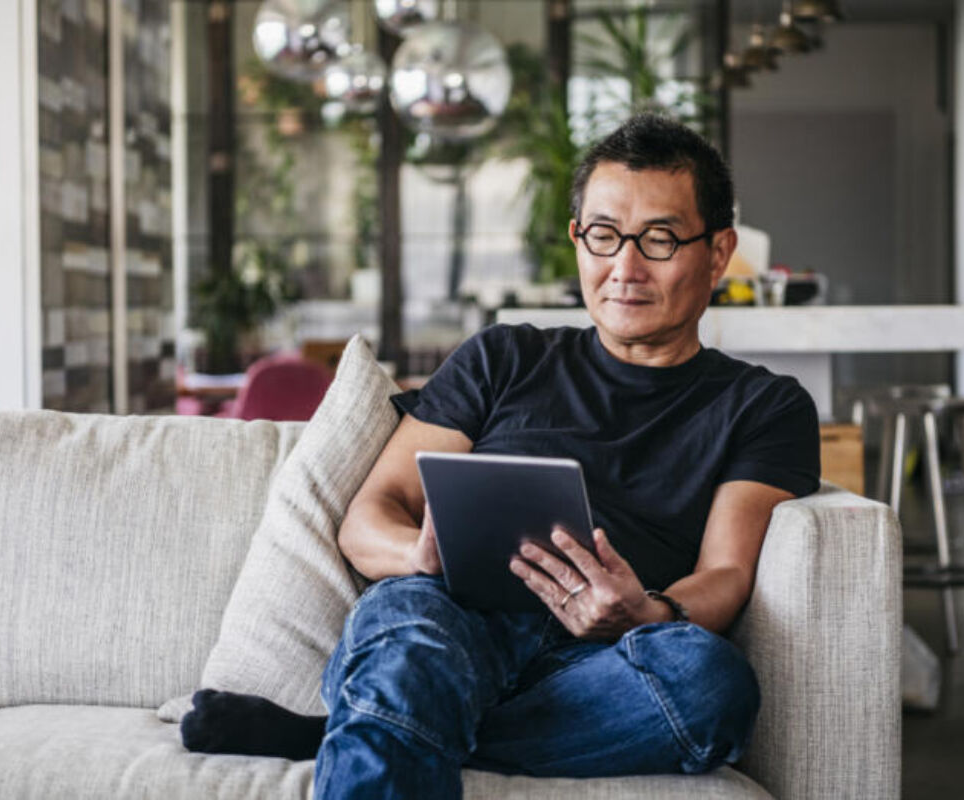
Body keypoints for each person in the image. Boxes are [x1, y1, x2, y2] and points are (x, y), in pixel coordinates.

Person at [181, 113, 820, 799]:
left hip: (606, 657)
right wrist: (416, 557)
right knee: (409, 639)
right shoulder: (503, 357)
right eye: (603, 236)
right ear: (578, 238)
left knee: (711, 684)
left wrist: (646, 612)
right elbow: (369, 515)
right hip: (449, 626)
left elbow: (725, 571)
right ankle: (394, 706)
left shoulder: (764, 405)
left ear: (718, 252)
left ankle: (356, 725)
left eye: (659, 239)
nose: (624, 268)